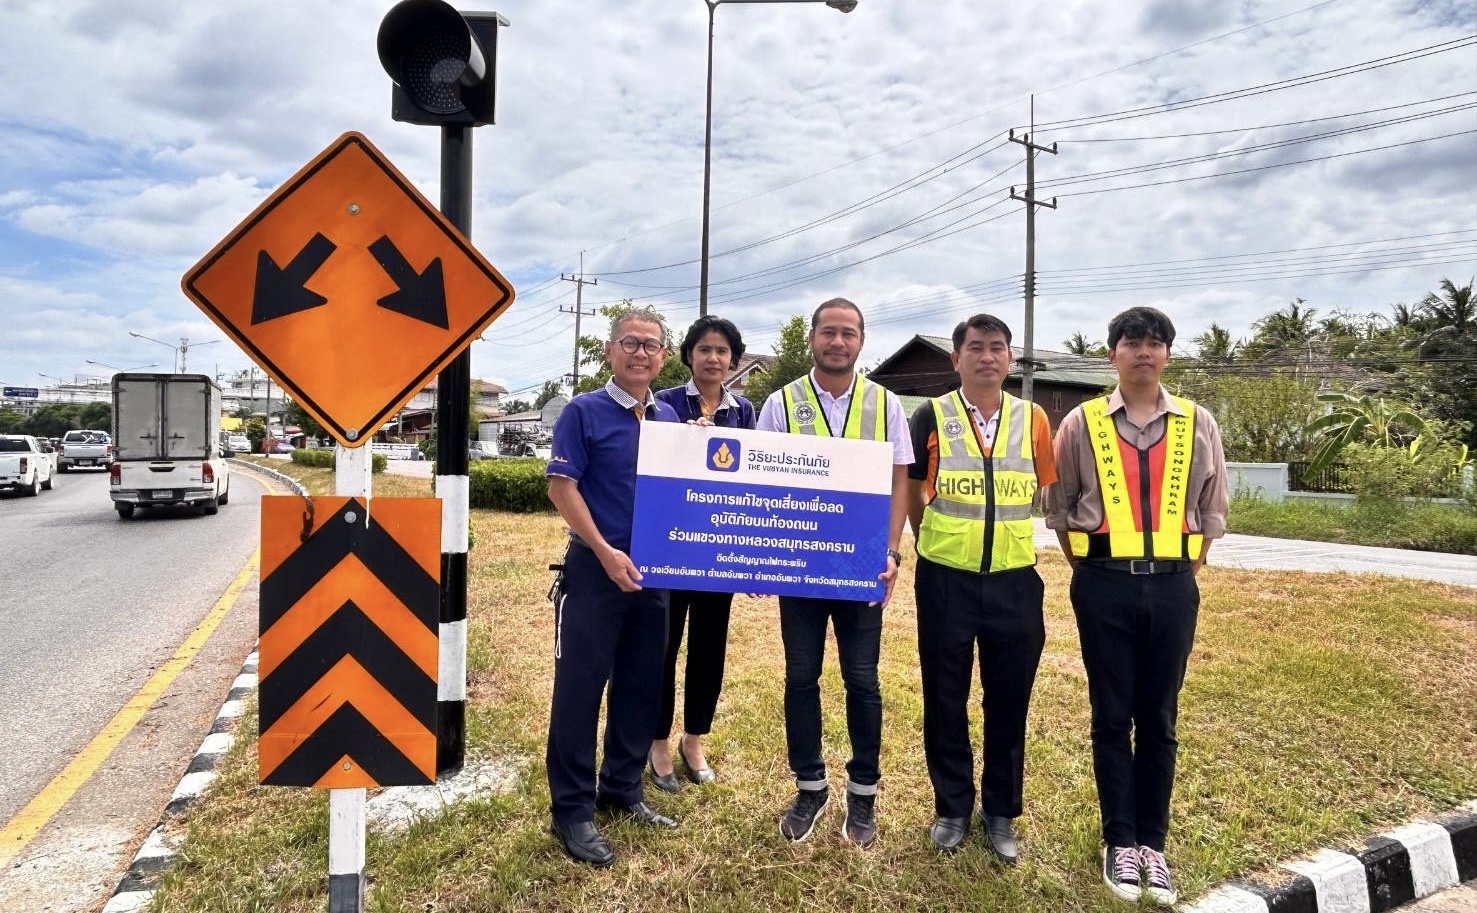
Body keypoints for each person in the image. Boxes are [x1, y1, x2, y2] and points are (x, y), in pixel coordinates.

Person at [1046, 306, 1228, 905]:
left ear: (1168, 355)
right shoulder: (1080, 423)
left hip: (1175, 586)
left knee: (1159, 716)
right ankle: (1118, 841)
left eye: (1154, 343)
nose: (1143, 352)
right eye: (1132, 342)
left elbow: (1213, 509)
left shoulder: (1199, 423)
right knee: (1110, 714)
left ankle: (1153, 842)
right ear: (1112, 355)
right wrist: (1097, 571)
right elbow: (1061, 504)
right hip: (1102, 584)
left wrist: (1179, 571)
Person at [755, 297, 914, 848]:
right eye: (828, 332)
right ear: (813, 340)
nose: (838, 341)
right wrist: (767, 554)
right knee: (801, 678)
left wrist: (891, 553)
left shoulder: (886, 403)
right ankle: (811, 786)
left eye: (848, 333)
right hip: (800, 568)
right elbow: (763, 485)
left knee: (862, 681)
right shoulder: (781, 403)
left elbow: (900, 482)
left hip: (861, 568)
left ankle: (863, 794)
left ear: (862, 341)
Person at [906, 314, 1056, 862]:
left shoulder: (1034, 419)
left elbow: (1048, 491)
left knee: (1009, 699)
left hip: (1016, 582)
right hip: (945, 579)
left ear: (1010, 358)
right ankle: (951, 808)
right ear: (957, 358)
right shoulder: (931, 413)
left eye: (998, 348)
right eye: (976, 347)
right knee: (945, 697)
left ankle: (999, 812)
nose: (987, 356)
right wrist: (935, 543)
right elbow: (913, 490)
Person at [544, 308, 682, 868]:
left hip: (654, 578)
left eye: (652, 345)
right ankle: (572, 811)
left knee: (641, 685)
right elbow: (561, 487)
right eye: (630, 342)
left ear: (663, 357)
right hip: (594, 574)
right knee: (579, 692)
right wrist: (604, 551)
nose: (641, 353)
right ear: (609, 350)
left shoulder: (671, 420)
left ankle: (622, 789)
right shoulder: (584, 412)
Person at [648, 316, 758, 792]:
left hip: (720, 551)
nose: (713, 358)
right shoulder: (665, 403)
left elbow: (754, 477)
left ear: (733, 359)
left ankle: (694, 739)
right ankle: (656, 742)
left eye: (722, 351)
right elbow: (652, 470)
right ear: (688, 355)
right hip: (672, 547)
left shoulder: (744, 411)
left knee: (709, 648)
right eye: (704, 349)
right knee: (663, 647)